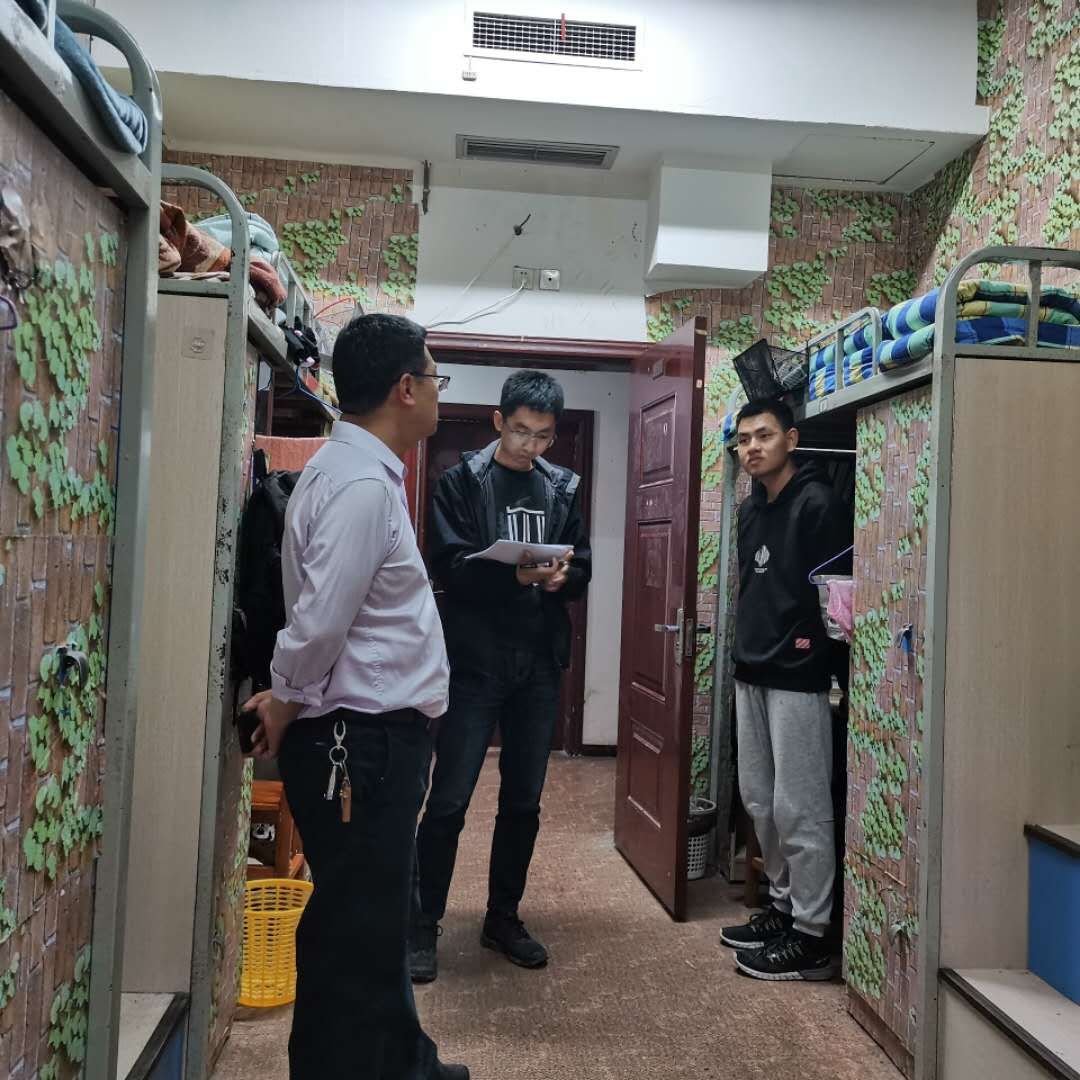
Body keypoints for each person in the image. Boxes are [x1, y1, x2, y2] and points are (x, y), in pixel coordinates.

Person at [243, 314, 468, 1080]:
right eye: (434, 378)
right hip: (361, 744)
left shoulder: (357, 473)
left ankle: (408, 1064)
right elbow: (320, 621)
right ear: (406, 388)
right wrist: (284, 698)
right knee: (355, 931)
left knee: (366, 921)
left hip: (369, 739)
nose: (437, 392)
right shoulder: (361, 487)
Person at [409, 371, 592, 983]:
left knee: (523, 802)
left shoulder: (562, 485)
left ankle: (503, 917)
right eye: (519, 431)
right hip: (474, 663)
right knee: (449, 800)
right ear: (498, 421)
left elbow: (582, 562)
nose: (529, 446)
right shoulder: (460, 481)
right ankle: (422, 923)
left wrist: (565, 577)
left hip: (537, 666)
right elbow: (448, 568)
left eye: (542, 436)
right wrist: (512, 574)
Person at [720, 398, 848, 982]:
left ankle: (812, 934)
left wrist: (828, 665)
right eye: (744, 439)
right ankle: (783, 905)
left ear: (791, 440)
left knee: (801, 806)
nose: (752, 447)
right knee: (760, 800)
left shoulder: (819, 503)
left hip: (798, 675)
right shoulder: (751, 510)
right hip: (751, 669)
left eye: (763, 436)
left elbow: (837, 595)